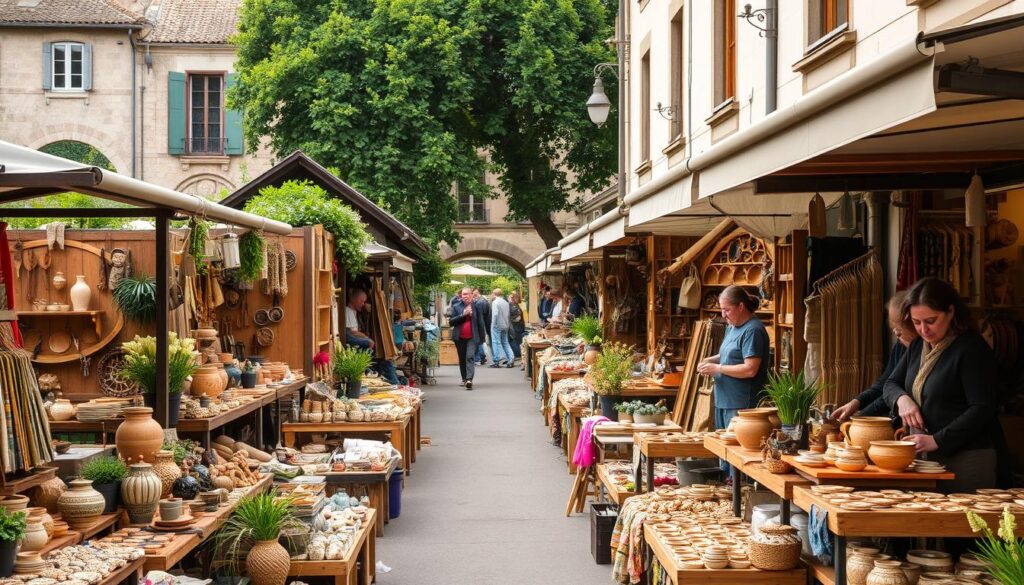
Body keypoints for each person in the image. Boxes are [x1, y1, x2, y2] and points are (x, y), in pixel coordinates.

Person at [882, 277, 1001, 492]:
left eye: (931, 320)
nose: (923, 329)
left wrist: (937, 440)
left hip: (968, 459)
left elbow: (982, 408)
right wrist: (903, 400)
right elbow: (890, 384)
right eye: (917, 322)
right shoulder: (918, 345)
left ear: (951, 312)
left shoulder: (971, 348)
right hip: (927, 459)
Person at [696, 286, 770, 475]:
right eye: (722, 309)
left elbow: (750, 369)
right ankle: (728, 492)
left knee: (737, 455)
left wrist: (717, 369)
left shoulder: (753, 330)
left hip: (741, 404)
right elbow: (727, 355)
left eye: (727, 309)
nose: (723, 314)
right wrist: (708, 362)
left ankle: (739, 495)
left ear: (741, 306)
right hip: (724, 400)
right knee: (724, 451)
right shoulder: (732, 327)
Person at [832, 291, 917, 421]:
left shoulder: (921, 351)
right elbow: (884, 384)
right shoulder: (901, 346)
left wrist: (860, 418)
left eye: (899, 331)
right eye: (893, 328)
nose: (895, 333)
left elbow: (889, 395)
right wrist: (856, 403)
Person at [448, 287, 489, 390]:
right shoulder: (457, 306)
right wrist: (463, 315)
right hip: (459, 337)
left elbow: (480, 323)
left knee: (469, 356)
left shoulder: (477, 306)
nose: (465, 296)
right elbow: (451, 322)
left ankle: (469, 379)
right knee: (462, 359)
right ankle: (464, 378)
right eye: (463, 294)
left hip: (472, 337)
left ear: (471, 295)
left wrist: (482, 338)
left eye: (466, 294)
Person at [488, 288, 515, 368]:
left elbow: (495, 314)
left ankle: (496, 360)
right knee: (505, 342)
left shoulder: (495, 302)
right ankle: (511, 359)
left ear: (494, 294)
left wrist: (492, 324)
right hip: (505, 325)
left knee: (495, 342)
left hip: (497, 325)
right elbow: (508, 315)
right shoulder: (505, 302)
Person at [471, 288, 490, 365]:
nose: (473, 293)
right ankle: (482, 357)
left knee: (478, 341)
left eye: (474, 292)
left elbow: (480, 316)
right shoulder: (484, 301)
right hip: (483, 323)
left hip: (480, 324)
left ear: (477, 292)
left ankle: (480, 357)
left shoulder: (479, 302)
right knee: (480, 341)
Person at [509, 290, 526, 365]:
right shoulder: (517, 305)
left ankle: (518, 354)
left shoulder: (514, 306)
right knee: (518, 340)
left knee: (514, 340)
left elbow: (514, 315)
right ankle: (519, 354)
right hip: (519, 325)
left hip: (516, 325)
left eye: (510, 296)